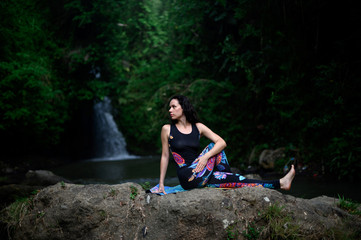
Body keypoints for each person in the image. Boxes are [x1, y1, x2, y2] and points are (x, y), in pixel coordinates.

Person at [156, 95, 295, 195]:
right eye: (170, 107)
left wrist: (206, 157)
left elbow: (222, 142)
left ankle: (280, 183)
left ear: (183, 108)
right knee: (212, 147)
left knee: (238, 179)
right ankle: (226, 176)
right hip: (187, 176)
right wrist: (161, 183)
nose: (170, 110)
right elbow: (165, 156)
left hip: (203, 172)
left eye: (174, 106)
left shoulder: (198, 127)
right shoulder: (167, 129)